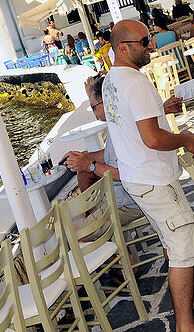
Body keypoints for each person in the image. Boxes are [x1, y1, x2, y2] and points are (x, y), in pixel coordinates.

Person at [101, 19, 194, 332]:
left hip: (140, 178)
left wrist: (159, 110)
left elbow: (130, 121)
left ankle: (188, 294)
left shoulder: (112, 80)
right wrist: (186, 138)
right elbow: (153, 139)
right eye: (144, 41)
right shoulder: (134, 83)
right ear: (123, 47)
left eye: (150, 38)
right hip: (153, 179)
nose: (151, 45)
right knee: (183, 247)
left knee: (173, 243)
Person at [62, 75, 147, 231]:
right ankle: (98, 227)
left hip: (129, 203)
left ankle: (101, 234)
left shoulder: (122, 128)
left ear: (107, 101)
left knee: (74, 237)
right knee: (83, 175)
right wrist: (83, 157)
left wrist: (89, 165)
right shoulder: (120, 121)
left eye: (94, 106)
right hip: (123, 197)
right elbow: (109, 154)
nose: (93, 111)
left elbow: (122, 174)